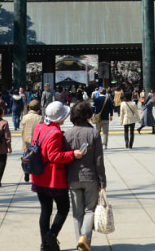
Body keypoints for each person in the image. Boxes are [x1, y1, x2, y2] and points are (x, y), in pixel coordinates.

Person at [32, 102, 86, 251]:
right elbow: (54, 156)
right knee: (63, 208)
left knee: (45, 210)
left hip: (38, 175)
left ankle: (45, 244)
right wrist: (72, 154)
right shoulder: (55, 133)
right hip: (53, 178)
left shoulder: (39, 127)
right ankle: (51, 235)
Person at [64, 101, 107, 251]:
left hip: (73, 177)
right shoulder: (94, 133)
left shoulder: (67, 134)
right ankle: (85, 239)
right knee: (90, 210)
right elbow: (99, 160)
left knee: (77, 213)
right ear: (88, 115)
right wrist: (102, 180)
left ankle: (79, 242)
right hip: (90, 177)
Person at [21, 99, 44, 183]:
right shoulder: (40, 118)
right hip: (36, 141)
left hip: (26, 140)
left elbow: (22, 130)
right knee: (35, 157)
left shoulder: (25, 117)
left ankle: (26, 171)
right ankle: (34, 172)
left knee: (26, 156)